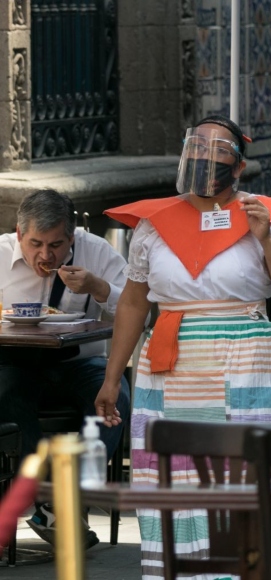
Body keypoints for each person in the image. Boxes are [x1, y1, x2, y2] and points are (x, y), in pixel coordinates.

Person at [98, 115, 271, 579]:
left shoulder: (265, 217)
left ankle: (251, 567)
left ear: (239, 167)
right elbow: (133, 304)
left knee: (247, 469)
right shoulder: (154, 224)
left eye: (219, 150)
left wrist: (265, 240)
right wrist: (110, 377)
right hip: (171, 364)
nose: (205, 156)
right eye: (196, 146)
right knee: (176, 470)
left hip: (248, 360)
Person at [0, 189, 129, 548]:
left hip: (79, 362)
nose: (46, 255)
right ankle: (48, 500)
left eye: (56, 245)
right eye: (36, 244)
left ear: (72, 238)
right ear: (19, 233)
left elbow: (141, 310)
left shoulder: (96, 251)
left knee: (114, 402)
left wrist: (99, 288)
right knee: (6, 392)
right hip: (16, 364)